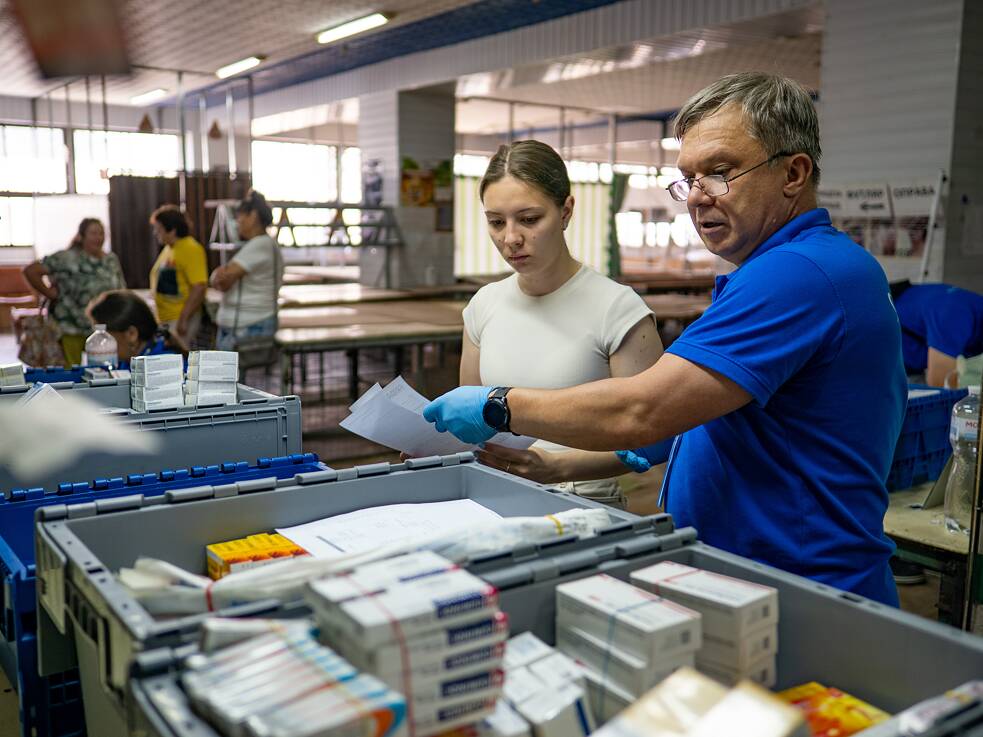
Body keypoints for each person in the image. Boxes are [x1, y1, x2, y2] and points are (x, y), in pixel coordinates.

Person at [423, 72, 907, 607]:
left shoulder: (800, 273)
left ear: (794, 173)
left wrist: (498, 406)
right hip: (753, 574)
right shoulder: (791, 268)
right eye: (688, 179)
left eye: (720, 174)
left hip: (798, 585)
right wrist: (560, 466)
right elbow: (696, 419)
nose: (696, 199)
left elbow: (644, 410)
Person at [458, 140, 663, 507]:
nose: (511, 238)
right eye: (495, 222)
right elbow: (470, 420)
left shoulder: (618, 309)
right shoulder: (483, 307)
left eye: (529, 219)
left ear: (566, 211)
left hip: (585, 503)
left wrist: (557, 467)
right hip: (494, 497)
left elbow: (654, 436)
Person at [23, 218, 126, 366]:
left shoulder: (111, 259)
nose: (98, 237)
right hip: (70, 326)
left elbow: (121, 289)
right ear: (81, 236)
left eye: (101, 233)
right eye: (93, 233)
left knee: (103, 371)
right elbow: (30, 271)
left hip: (102, 328)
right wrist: (50, 294)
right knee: (71, 372)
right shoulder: (67, 258)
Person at [210, 190, 282, 350]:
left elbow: (222, 280)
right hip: (248, 324)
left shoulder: (260, 245)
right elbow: (221, 279)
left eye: (240, 216)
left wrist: (219, 275)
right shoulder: (261, 245)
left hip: (248, 325)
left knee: (230, 375)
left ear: (253, 216)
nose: (237, 222)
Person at [890, 280, 983, 387]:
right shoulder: (954, 318)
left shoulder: (975, 309)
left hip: (909, 343)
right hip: (890, 334)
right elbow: (940, 386)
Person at [149, 205, 209, 344]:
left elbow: (199, 286)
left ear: (172, 230)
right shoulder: (169, 248)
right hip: (166, 319)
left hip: (179, 318)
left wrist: (184, 318)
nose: (155, 233)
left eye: (159, 229)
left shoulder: (190, 248)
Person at [87, 289, 187, 365]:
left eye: (104, 337)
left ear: (131, 334)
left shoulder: (161, 366)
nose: (99, 344)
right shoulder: (126, 362)